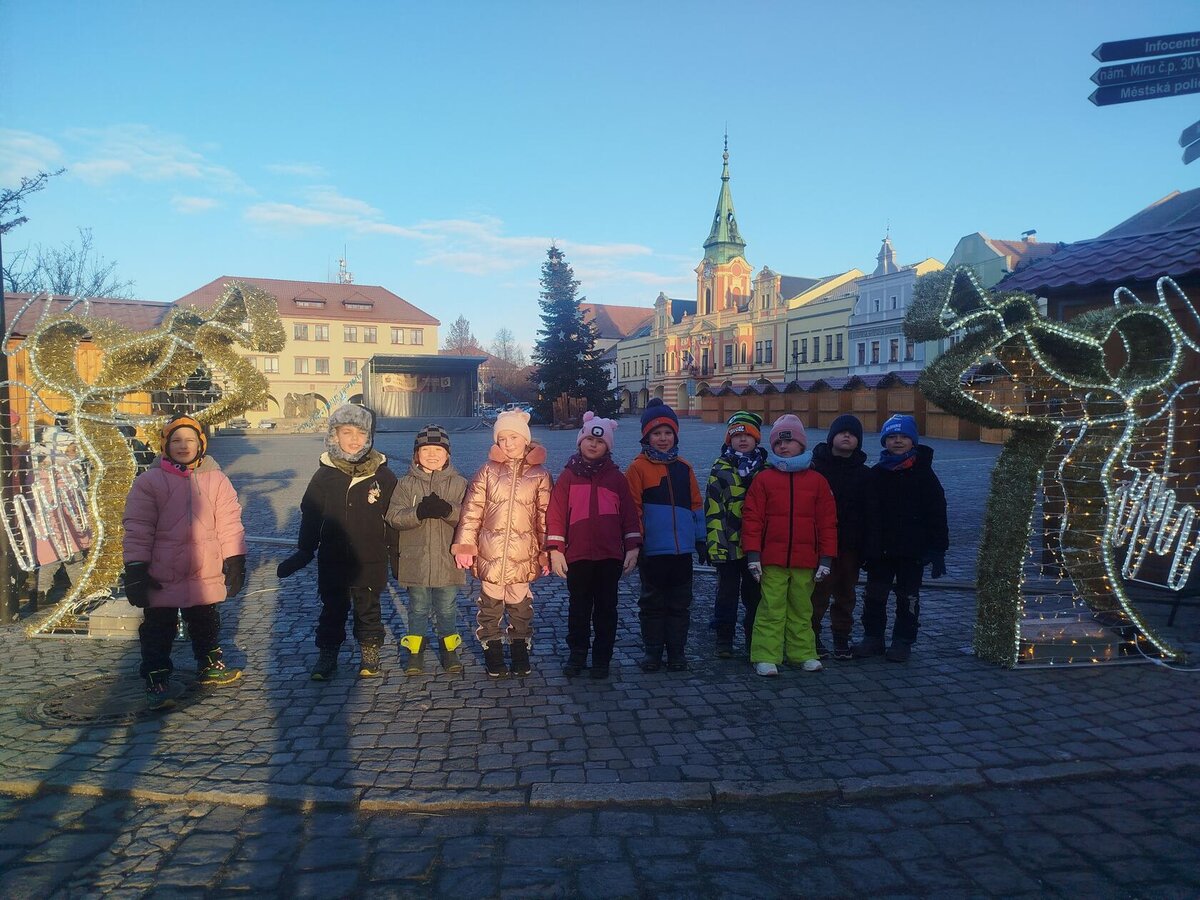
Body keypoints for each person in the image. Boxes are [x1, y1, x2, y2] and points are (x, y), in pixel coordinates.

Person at [122, 415, 247, 708]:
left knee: (205, 621)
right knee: (158, 627)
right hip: (161, 571)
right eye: (176, 440)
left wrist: (235, 558)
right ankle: (157, 676)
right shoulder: (150, 481)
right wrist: (136, 567)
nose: (183, 445)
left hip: (203, 569)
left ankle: (209, 663)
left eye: (190, 440)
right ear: (166, 445)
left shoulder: (216, 479)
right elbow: (138, 527)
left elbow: (229, 522)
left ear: (201, 444)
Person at [277, 404, 398, 680]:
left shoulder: (382, 475)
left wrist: (397, 554)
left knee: (368, 609)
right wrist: (305, 550)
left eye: (360, 432)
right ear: (334, 435)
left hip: (370, 558)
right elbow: (311, 513)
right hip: (333, 559)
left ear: (369, 436)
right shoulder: (325, 475)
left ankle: (369, 651)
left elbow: (393, 517)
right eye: (347, 432)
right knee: (332, 609)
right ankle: (328, 654)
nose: (354, 439)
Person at [452, 409, 551, 678]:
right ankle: (492, 651)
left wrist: (546, 552)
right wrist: (465, 545)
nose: (508, 444)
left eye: (513, 437)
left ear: (525, 439)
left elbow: (544, 517)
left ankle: (520, 649)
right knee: (490, 605)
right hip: (490, 552)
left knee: (520, 606)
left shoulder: (540, 475)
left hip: (523, 554)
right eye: (502, 439)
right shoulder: (487, 471)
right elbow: (472, 511)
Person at [546, 412, 641, 680]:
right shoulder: (568, 476)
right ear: (580, 441)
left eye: (599, 442)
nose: (593, 445)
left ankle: (602, 658)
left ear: (607, 446)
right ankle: (577, 654)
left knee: (606, 610)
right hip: (577, 556)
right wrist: (555, 550)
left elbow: (629, 515)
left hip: (609, 557)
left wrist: (632, 547)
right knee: (578, 609)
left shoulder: (617, 478)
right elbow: (556, 514)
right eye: (589, 439)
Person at [741, 414, 838, 677]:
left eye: (789, 441)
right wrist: (753, 554)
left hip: (805, 560)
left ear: (801, 444)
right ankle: (765, 655)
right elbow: (752, 519)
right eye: (778, 443)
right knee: (771, 608)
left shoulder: (817, 481)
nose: (783, 446)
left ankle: (802, 653)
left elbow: (827, 523)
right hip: (772, 559)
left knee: (801, 609)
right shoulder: (764, 479)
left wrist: (826, 558)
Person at [853, 414, 948, 663]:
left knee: (908, 597)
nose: (897, 441)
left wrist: (938, 549)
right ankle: (873, 637)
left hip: (912, 551)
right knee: (874, 595)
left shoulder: (924, 474)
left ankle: (903, 640)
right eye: (892, 437)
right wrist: (865, 546)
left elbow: (937, 512)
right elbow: (866, 513)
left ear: (912, 441)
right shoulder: (876, 474)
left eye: (903, 437)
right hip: (880, 550)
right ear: (884, 441)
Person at [625, 398, 705, 672]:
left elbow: (696, 504)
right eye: (656, 433)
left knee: (680, 604)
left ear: (675, 435)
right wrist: (636, 542)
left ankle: (676, 652)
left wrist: (700, 538)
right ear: (646, 437)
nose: (662, 438)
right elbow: (632, 508)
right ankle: (653, 652)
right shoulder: (637, 468)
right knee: (653, 603)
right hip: (653, 551)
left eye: (667, 432)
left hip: (682, 551)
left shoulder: (684, 467)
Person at [386, 424, 468, 675]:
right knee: (418, 608)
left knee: (447, 608)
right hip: (416, 560)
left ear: (447, 454)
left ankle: (449, 649)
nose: (432, 455)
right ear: (416, 454)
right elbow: (393, 516)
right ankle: (415, 651)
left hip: (447, 560)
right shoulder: (405, 484)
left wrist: (448, 510)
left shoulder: (460, 483)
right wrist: (418, 513)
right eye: (425, 450)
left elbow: (470, 518)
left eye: (438, 450)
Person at [704, 410, 768, 659]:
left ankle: (754, 638)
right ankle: (724, 638)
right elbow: (713, 510)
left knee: (755, 596)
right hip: (728, 546)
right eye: (737, 435)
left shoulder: (766, 470)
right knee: (726, 595)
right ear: (729, 439)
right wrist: (715, 546)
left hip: (757, 548)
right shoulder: (720, 468)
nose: (742, 439)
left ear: (756, 439)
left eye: (748, 435)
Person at [809, 414, 871, 660]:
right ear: (831, 436)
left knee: (846, 594)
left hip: (850, 546)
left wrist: (866, 545)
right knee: (818, 593)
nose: (847, 436)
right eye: (842, 432)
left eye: (853, 434)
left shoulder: (864, 474)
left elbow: (869, 513)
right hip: (820, 544)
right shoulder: (816, 468)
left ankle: (841, 636)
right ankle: (811, 635)